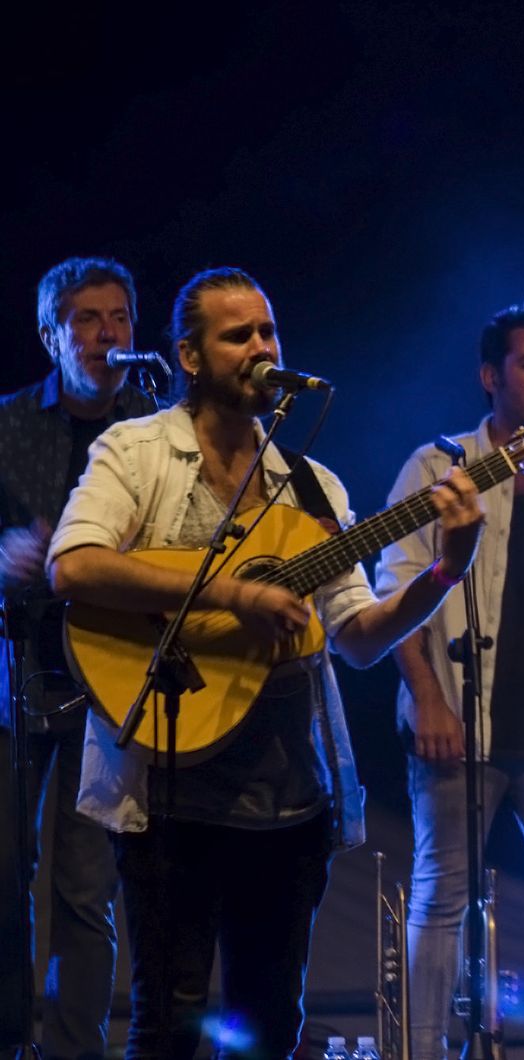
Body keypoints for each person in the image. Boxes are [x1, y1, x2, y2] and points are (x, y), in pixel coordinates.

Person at [45, 267, 485, 1058]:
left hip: (289, 803)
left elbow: (357, 637)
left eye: (268, 332)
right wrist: (232, 598)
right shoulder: (138, 451)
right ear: (188, 355)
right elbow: (73, 568)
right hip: (167, 791)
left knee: (269, 1029)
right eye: (238, 335)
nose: (261, 347)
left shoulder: (313, 488)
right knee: (167, 1026)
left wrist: (444, 571)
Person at [376, 304, 524, 1060]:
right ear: (491, 376)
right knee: (441, 899)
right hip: (459, 720)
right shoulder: (439, 464)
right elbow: (395, 588)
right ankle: (422, 1052)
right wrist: (426, 700)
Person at [0, 257, 155, 1059]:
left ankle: (73, 1050)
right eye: (88, 320)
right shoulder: (9, 423)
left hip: (114, 683)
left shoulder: (155, 429)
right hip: (18, 675)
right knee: (3, 880)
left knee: (86, 891)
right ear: (51, 334)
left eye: (119, 318)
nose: (107, 335)